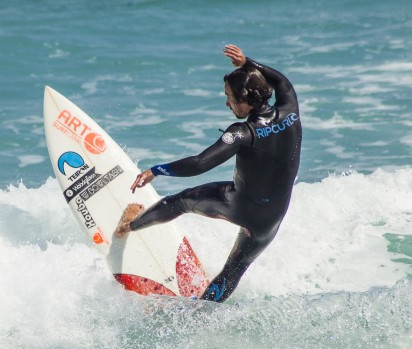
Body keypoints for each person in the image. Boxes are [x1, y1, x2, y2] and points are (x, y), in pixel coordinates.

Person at [114, 44, 302, 303]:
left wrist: (157, 170)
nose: (227, 102)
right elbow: (281, 80)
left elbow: (200, 163)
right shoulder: (290, 108)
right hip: (271, 219)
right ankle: (202, 317)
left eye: (230, 98)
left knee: (182, 201)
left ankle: (128, 226)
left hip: (239, 204)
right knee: (233, 271)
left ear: (246, 101)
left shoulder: (243, 133)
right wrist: (249, 63)